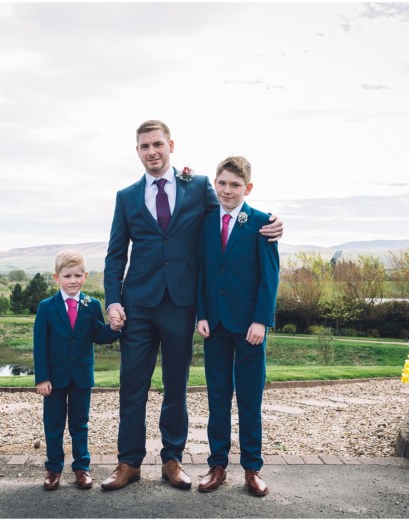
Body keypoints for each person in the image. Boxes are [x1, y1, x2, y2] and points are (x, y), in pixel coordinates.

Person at [102, 120, 284, 491]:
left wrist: (273, 222)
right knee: (131, 386)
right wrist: (113, 301)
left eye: (157, 144)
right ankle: (128, 463)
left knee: (176, 388)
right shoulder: (126, 196)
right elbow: (115, 254)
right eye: (144, 146)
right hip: (138, 305)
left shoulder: (199, 185)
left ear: (171, 145)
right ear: (137, 151)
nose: (152, 151)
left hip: (181, 306)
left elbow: (233, 214)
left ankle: (173, 461)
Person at [195, 156, 280, 496]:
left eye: (235, 185)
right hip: (213, 325)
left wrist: (261, 320)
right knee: (217, 398)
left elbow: (269, 278)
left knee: (249, 399)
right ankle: (217, 466)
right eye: (222, 183)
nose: (227, 190)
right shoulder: (204, 223)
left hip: (249, 328)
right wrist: (201, 314)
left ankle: (252, 469)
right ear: (215, 183)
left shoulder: (262, 223)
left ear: (248, 188)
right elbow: (202, 272)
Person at [33, 249, 122, 491]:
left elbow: (98, 334)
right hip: (54, 379)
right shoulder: (46, 307)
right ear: (56, 277)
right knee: (53, 424)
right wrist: (42, 377)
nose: (72, 280)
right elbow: (40, 345)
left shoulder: (91, 305)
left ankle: (82, 468)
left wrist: (114, 328)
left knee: (80, 424)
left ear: (85, 276)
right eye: (67, 276)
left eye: (77, 275)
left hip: (81, 376)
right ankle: (54, 469)